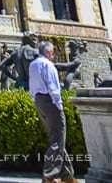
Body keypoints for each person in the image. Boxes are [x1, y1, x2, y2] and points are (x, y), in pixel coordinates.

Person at [29, 41, 78, 183]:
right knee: (57, 138)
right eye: (52, 53)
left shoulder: (33, 64)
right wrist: (59, 105)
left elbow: (32, 86)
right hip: (50, 101)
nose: (53, 55)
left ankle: (67, 176)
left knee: (56, 138)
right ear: (49, 52)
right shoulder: (48, 65)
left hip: (39, 101)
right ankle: (49, 175)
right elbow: (53, 86)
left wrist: (36, 101)